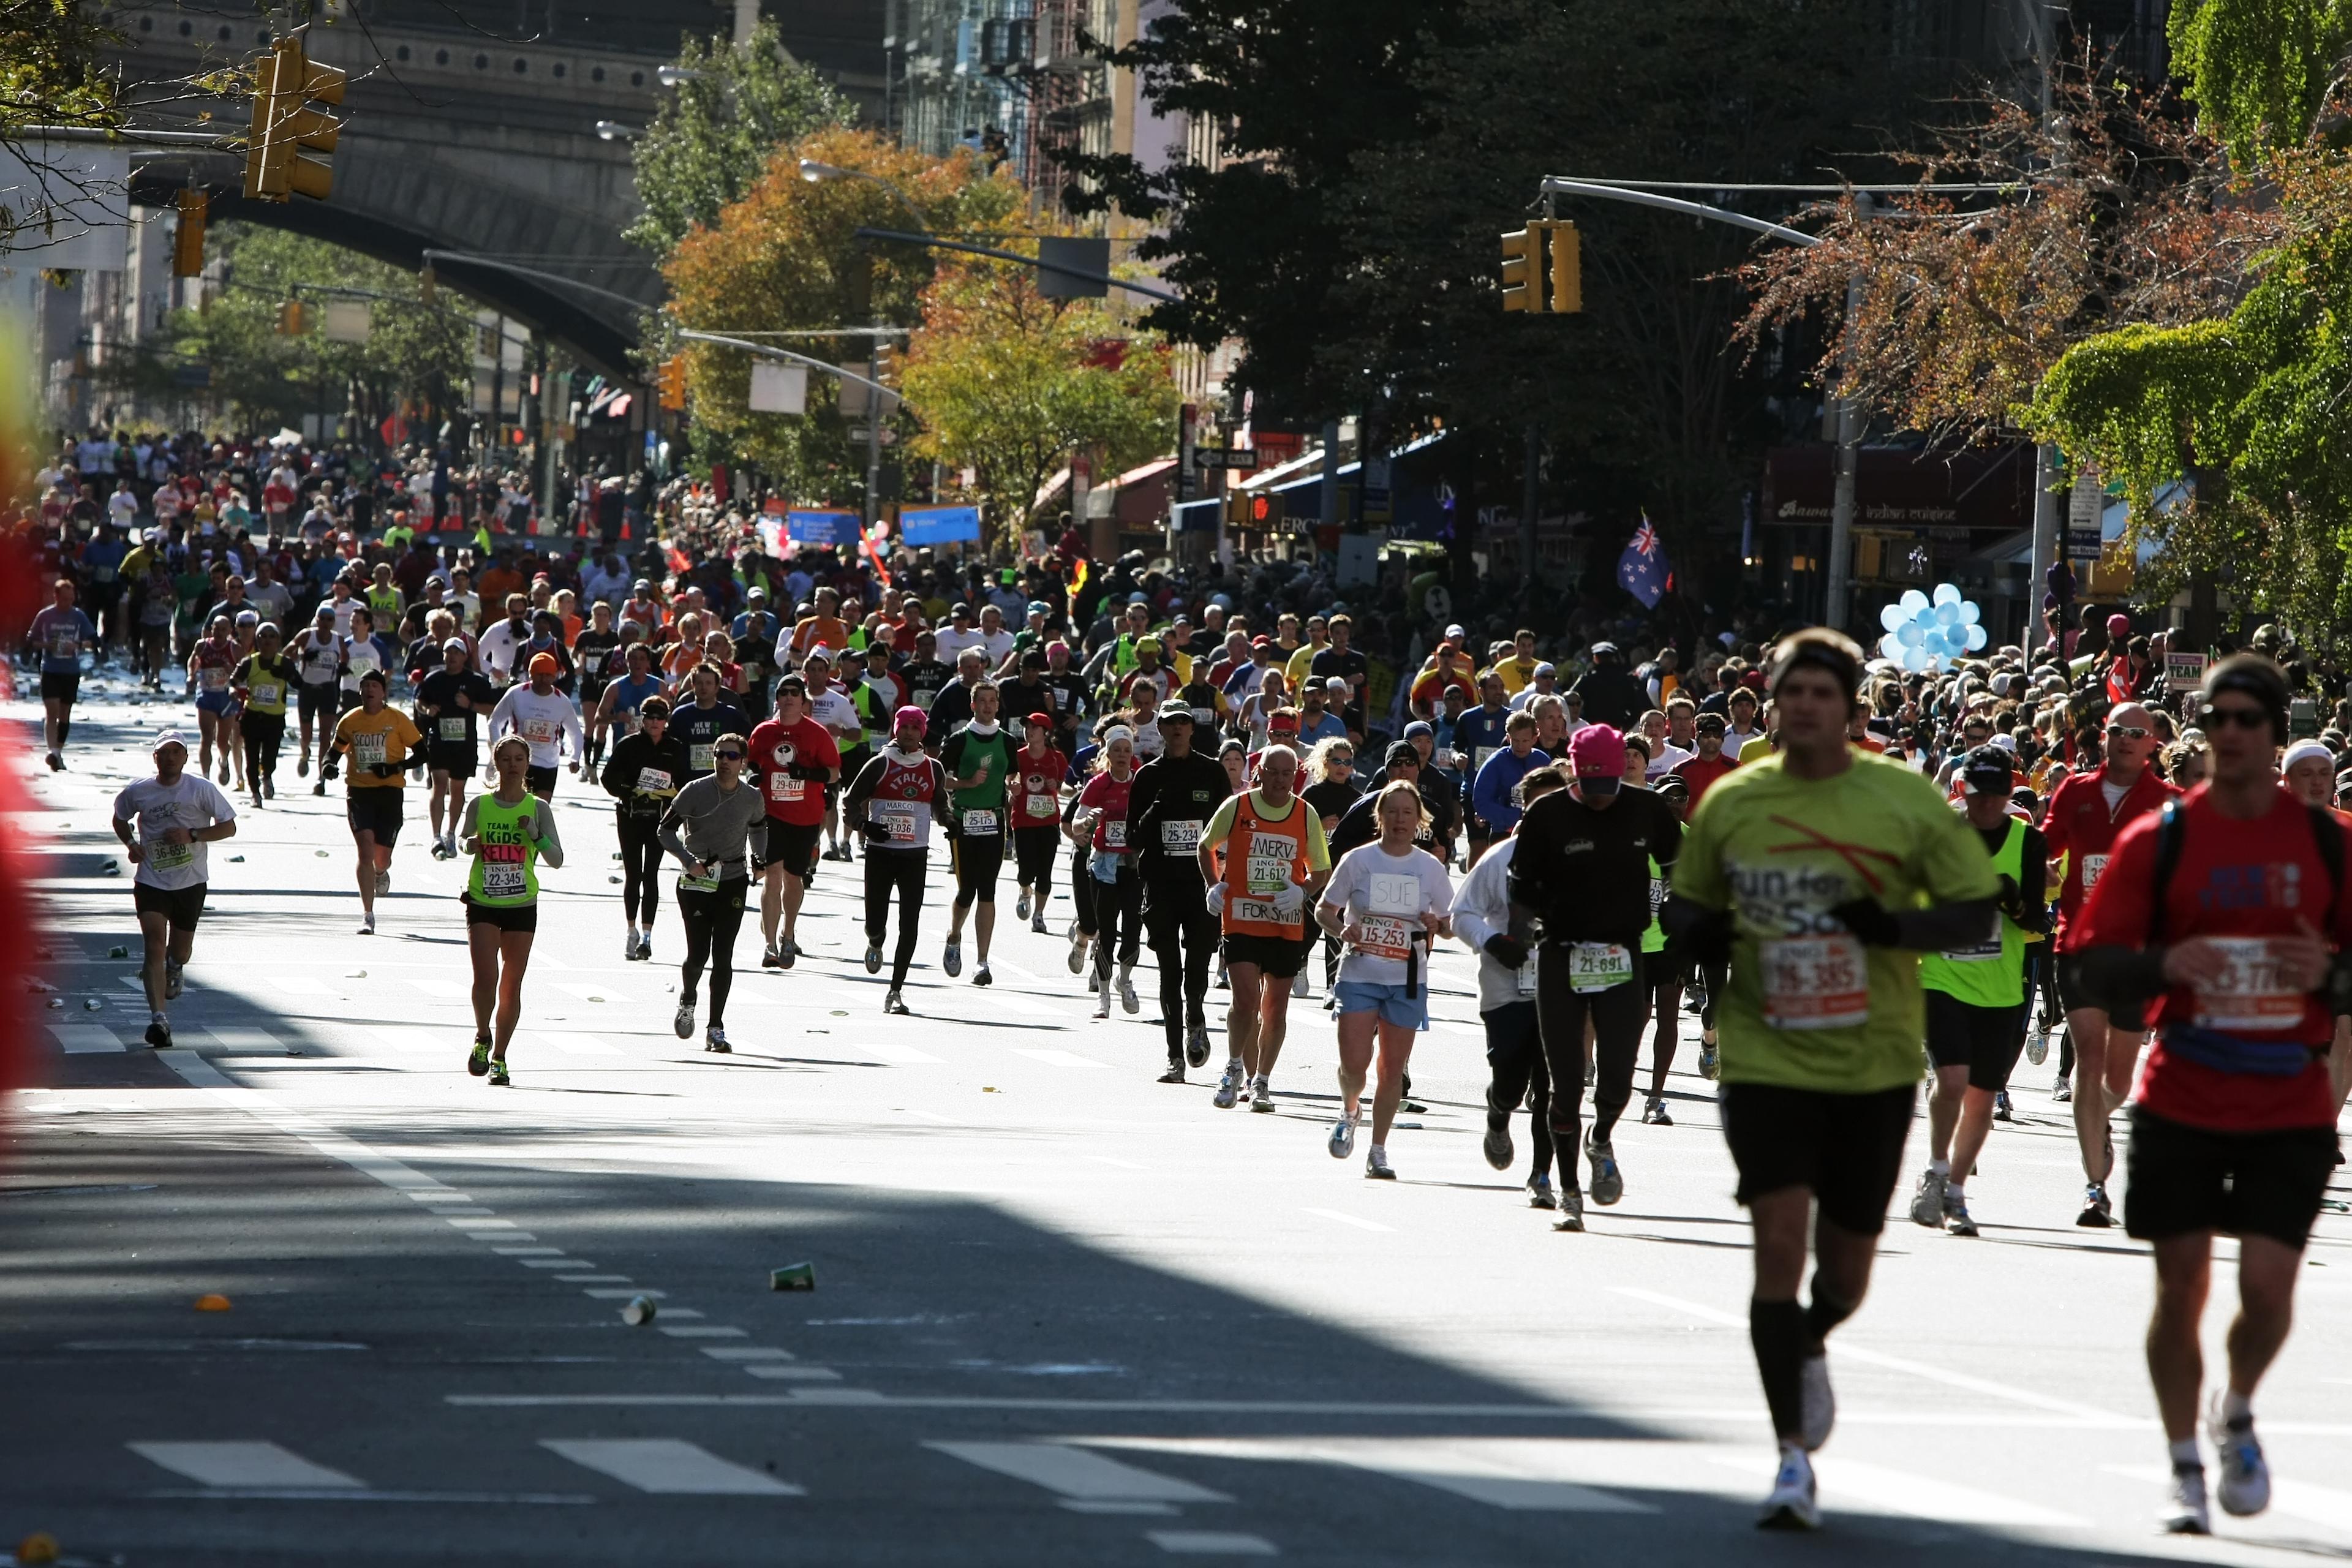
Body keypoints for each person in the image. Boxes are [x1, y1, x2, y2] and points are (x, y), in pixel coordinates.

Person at [1664, 628, 2000, 1529]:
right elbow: (1686, 901)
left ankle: (1810, 1340)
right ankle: (1790, 1460)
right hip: (1765, 1052)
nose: (1806, 706)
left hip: (1876, 1059)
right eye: (1792, 692)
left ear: (1852, 707)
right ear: (1769, 702)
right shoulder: (1735, 802)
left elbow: (1974, 911)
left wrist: (1887, 927)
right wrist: (1707, 936)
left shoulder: (1903, 801)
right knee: (1778, 1241)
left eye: (1824, 693)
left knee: (1845, 1269)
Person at [2063, 654, 2350, 1536]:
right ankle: (2185, 1464)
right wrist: (2164, 964)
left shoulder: (2332, 846)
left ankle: (2238, 1411)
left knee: (2266, 1291)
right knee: (2180, 1284)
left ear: (2273, 735)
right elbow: (2091, 956)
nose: (2230, 732)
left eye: (2248, 719)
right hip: (2184, 1082)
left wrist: (2330, 975)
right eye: (2218, 718)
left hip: (2288, 1097)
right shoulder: (2166, 839)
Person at [1506, 724, 1684, 1225]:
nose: (1603, 799)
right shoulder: (1548, 814)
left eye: (1611, 787)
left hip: (1622, 952)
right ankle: (1568, 1193)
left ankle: (1601, 1135)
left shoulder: (1646, 809)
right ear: (1577, 773)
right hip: (1562, 953)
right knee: (1564, 1086)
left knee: (1619, 1079)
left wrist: (1676, 905)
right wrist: (1522, 932)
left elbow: (1678, 868)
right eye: (1593, 788)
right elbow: (1521, 886)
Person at [2040, 699, 2176, 1224]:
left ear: (2152, 745)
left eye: (2136, 734)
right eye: (2117, 730)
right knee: (2087, 1061)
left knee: (2117, 1082)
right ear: (2103, 737)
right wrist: (2044, 871)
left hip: (2138, 957)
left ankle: (2102, 1122)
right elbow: (2043, 845)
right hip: (2078, 945)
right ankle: (2095, 1184)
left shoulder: (2168, 803)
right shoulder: (2075, 790)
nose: (2125, 739)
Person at [1907, 746, 2049, 1238]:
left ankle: (1956, 1192)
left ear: (2009, 794)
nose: (1986, 803)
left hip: (2000, 986)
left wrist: (2011, 898)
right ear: (1963, 790)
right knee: (1951, 1080)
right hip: (1941, 977)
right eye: (1977, 792)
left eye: (1995, 793)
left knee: (1982, 1099)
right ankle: (1935, 1169)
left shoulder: (2029, 841)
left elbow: (2039, 919)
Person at [1317, 780, 1453, 1177]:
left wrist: (1436, 924)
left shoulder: (1429, 867)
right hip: (1360, 972)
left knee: (1392, 1070)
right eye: (1391, 811)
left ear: (1419, 821)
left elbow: (1449, 924)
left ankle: (1378, 1150)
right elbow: (1324, 910)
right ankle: (1350, 1109)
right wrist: (1342, 928)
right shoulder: (1359, 861)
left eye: (1407, 813)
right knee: (1355, 1066)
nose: (1399, 819)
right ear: (1379, 817)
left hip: (1408, 977)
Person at [1453, 762, 1569, 1207]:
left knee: (1551, 1086)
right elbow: (1460, 914)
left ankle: (1541, 1176)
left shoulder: (1578, 857)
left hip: (1560, 986)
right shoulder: (1500, 857)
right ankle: (1499, 1111)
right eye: (1536, 803)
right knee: (1511, 1078)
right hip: (1505, 985)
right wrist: (1492, 941)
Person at [1199, 741, 1328, 1108]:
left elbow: (1321, 870)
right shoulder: (1237, 806)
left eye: (1289, 774)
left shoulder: (1305, 814)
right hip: (1241, 918)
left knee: (1276, 1009)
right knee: (1244, 1001)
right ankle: (1234, 1066)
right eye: (1274, 772)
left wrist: (1301, 892)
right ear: (1260, 773)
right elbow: (1205, 846)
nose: (1281, 780)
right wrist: (1214, 884)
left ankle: (1263, 1081)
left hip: (1285, 923)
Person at [111, 732, 236, 1050]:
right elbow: (120, 818)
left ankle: (176, 965)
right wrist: (131, 844)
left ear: (185, 758)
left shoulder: (201, 789)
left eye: (175, 753)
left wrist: (192, 834)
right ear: (155, 758)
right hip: (151, 880)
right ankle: (159, 1020)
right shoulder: (139, 791)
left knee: (179, 951)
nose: (168, 758)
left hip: (191, 881)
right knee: (154, 944)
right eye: (162, 753)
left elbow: (229, 826)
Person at [1129, 706, 1234, 1080]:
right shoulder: (1147, 776)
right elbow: (1132, 838)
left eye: (1183, 723)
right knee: (1169, 972)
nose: (1177, 728)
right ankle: (1175, 1056)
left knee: (1197, 968)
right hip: (1160, 885)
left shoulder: (1212, 771)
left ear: (1192, 729)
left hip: (1201, 886)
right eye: (1170, 723)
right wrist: (1156, 811)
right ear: (1159, 729)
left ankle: (1197, 1019)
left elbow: (1230, 830)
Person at [460, 735, 565, 1087]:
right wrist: (469, 844)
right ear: (496, 763)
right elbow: (462, 839)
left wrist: (536, 834)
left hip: (521, 903)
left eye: (519, 759)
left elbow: (557, 860)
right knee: (485, 978)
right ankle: (481, 1036)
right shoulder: (480, 804)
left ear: (528, 763)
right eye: (506, 759)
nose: (513, 765)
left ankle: (500, 1057)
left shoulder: (538, 808)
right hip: (483, 901)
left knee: (511, 984)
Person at [658, 731, 766, 1052]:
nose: (724, 761)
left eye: (732, 756)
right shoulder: (696, 791)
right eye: (719, 755)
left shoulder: (752, 797)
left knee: (724, 955)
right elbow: (665, 829)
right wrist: (688, 860)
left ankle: (715, 1027)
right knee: (698, 954)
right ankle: (688, 997)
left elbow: (759, 828)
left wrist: (760, 859)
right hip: (697, 880)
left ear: (743, 763)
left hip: (732, 877)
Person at [843, 707, 952, 1014]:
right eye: (904, 727)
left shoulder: (934, 769)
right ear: (895, 729)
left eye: (915, 728)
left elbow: (940, 803)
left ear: (923, 733)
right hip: (880, 853)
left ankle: (896, 990)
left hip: (914, 856)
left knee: (910, 924)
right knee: (875, 921)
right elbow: (850, 801)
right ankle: (876, 942)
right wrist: (863, 825)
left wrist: (949, 820)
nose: (909, 732)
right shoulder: (880, 764)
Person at [745, 674, 839, 969]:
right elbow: (751, 762)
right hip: (769, 814)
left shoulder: (817, 733)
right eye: (783, 692)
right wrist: (753, 775)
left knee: (793, 878)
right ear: (777, 697)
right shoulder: (763, 732)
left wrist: (808, 775)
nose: (788, 697)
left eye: (794, 693)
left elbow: (834, 772)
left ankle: (788, 933)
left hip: (805, 816)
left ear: (803, 700)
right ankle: (770, 945)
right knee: (772, 877)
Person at [330, 668, 424, 935]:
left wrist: (396, 767)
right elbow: (334, 752)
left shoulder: (397, 720)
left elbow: (422, 753)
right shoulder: (350, 721)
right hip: (359, 793)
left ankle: (380, 874)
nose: (369, 690)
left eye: (375, 686)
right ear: (359, 692)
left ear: (383, 692)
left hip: (390, 793)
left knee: (381, 859)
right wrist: (328, 767)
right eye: (365, 686)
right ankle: (367, 914)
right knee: (365, 851)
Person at [938, 680, 1014, 986]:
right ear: (973, 705)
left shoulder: (1008, 741)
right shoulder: (959, 740)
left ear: (998, 705)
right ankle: (954, 936)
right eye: (981, 701)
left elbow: (1013, 771)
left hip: (994, 822)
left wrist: (1014, 784)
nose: (987, 706)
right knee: (966, 890)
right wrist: (966, 784)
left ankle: (982, 961)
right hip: (964, 822)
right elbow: (939, 777)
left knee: (988, 890)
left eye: (992, 701)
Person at [601, 695, 687, 960]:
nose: (654, 722)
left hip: (658, 821)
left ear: (666, 720)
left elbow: (685, 784)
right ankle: (631, 931)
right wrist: (630, 792)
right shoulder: (628, 745)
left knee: (651, 874)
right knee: (633, 874)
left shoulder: (675, 748)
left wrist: (672, 802)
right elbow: (608, 778)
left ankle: (647, 937)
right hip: (630, 817)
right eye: (649, 716)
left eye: (659, 717)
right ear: (642, 718)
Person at [1074, 726, 1144, 1019]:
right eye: (1117, 750)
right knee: (1107, 932)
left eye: (1127, 751)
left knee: (1132, 932)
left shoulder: (1141, 781)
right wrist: (1089, 821)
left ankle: (1124, 981)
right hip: (1104, 867)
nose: (1122, 756)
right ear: (1108, 754)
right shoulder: (1098, 785)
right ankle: (1103, 996)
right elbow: (1077, 825)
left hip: (1133, 866)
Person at [417, 638, 498, 858]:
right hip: (439, 740)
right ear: (443, 655)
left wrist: (470, 705)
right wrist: (427, 709)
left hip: (464, 743)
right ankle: (436, 836)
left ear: (464, 656)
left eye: (456, 653)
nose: (451, 657)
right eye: (447, 652)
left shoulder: (476, 681)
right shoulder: (434, 679)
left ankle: (451, 833)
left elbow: (491, 707)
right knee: (439, 785)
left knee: (457, 789)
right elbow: (419, 700)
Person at [486, 652, 585, 801]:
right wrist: (499, 750)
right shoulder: (516, 694)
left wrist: (575, 758)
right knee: (516, 805)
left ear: (555, 676)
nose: (543, 680)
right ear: (531, 674)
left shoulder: (562, 701)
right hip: (518, 761)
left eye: (548, 675)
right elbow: (494, 722)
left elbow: (576, 733)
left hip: (548, 762)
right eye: (539, 675)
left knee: (540, 809)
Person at [1009, 713, 1069, 935]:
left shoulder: (1057, 758)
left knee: (1045, 872)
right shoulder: (1018, 756)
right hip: (1024, 821)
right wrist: (1012, 787)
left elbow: (1065, 786)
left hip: (1049, 821)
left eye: (1034, 728)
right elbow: (1011, 779)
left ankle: (1039, 914)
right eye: (1026, 727)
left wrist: (1060, 785)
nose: (1029, 731)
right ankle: (1025, 890)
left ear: (1045, 733)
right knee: (1026, 872)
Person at [27, 578, 95, 771]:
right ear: (56, 597)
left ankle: (58, 752)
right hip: (50, 668)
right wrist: (47, 645)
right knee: (52, 711)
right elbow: (32, 640)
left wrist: (78, 645)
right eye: (65, 599)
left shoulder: (78, 616)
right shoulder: (45, 615)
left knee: (65, 714)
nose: (68, 603)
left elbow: (94, 640)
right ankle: (52, 751)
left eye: (71, 599)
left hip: (71, 670)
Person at [230, 622, 295, 808]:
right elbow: (233, 681)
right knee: (251, 756)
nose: (267, 640)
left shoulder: (285, 663)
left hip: (275, 718)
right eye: (263, 636)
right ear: (257, 640)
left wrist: (286, 675)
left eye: (271, 636)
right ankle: (255, 793)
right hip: (252, 716)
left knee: (270, 756)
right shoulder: (250, 662)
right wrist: (233, 691)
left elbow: (299, 684)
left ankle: (267, 776)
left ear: (278, 641)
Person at [292, 603, 345, 789]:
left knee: (325, 736)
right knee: (306, 735)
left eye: (329, 619)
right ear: (317, 619)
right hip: (308, 689)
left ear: (334, 622)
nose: (325, 623)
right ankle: (304, 752)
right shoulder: (308, 635)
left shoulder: (338, 640)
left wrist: (344, 669)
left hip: (328, 690)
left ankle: (321, 778)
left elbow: (346, 659)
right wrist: (302, 655)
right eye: (322, 618)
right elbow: (287, 652)